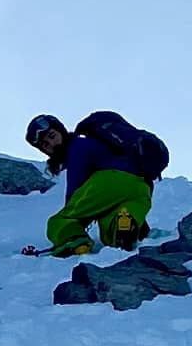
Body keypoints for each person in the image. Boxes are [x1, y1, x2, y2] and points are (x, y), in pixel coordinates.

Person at [26, 108, 170, 256]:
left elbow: (76, 190)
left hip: (111, 180)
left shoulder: (77, 146)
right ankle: (123, 230)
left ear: (61, 131)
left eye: (52, 136)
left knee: (59, 220)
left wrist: (73, 220)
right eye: (45, 144)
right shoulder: (99, 145)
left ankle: (76, 241)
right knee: (113, 224)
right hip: (142, 186)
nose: (51, 144)